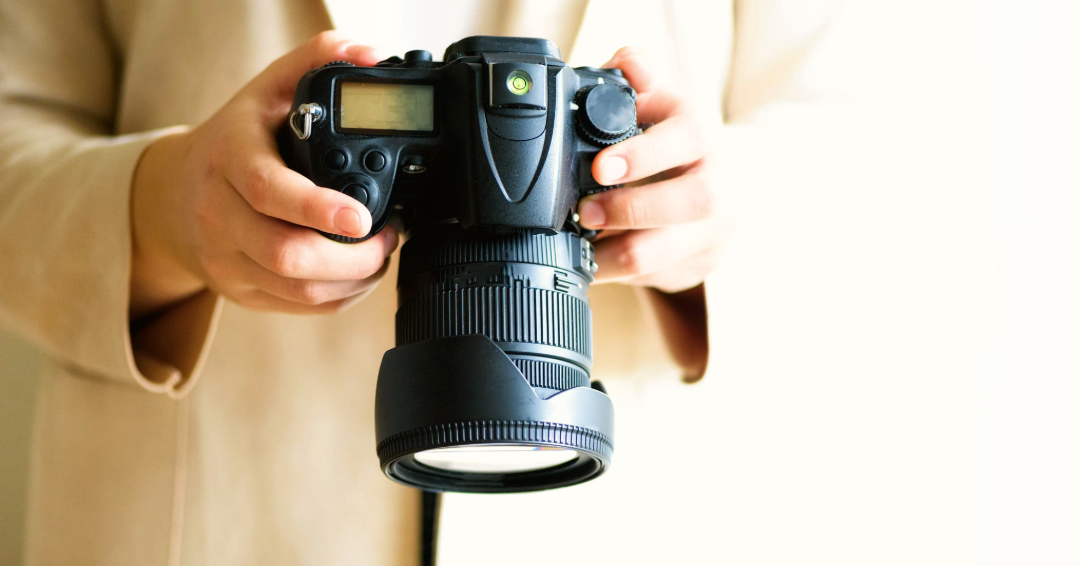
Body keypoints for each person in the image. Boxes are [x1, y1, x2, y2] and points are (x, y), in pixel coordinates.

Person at [0, 0, 841, 564]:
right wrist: (162, 208)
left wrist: (722, 200)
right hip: (214, 520)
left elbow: (848, 132)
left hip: (632, 524)